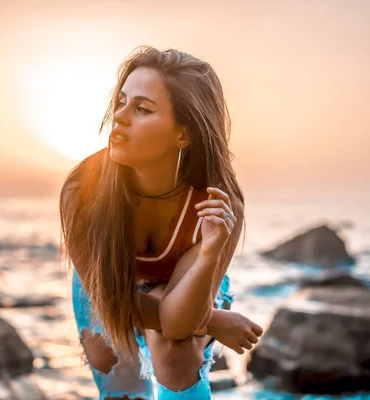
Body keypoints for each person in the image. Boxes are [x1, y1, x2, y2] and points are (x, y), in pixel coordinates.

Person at [59, 46, 263, 400]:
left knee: (177, 356)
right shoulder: (83, 191)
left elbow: (177, 323)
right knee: (114, 376)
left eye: (142, 108)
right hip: (105, 288)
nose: (120, 117)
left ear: (184, 134)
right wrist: (214, 320)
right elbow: (112, 303)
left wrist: (211, 252)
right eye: (121, 102)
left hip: (186, 287)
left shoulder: (217, 206)